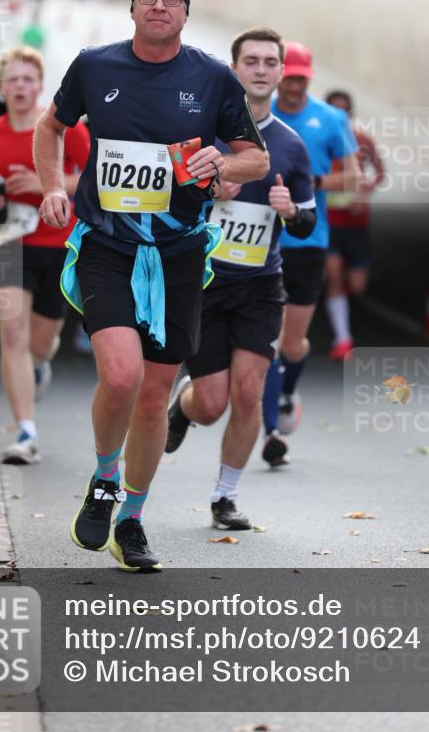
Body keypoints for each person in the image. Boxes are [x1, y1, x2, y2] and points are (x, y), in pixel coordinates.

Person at [33, 0, 269, 572]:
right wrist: (53, 186)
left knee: (155, 393)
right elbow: (50, 127)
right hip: (108, 243)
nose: (160, 5)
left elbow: (255, 160)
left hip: (180, 253)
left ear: (186, 14)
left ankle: (131, 521)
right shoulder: (95, 65)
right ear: (133, 9)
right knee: (119, 376)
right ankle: (105, 479)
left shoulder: (214, 79)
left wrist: (221, 163)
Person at [164, 28, 315, 528]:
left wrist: (289, 209)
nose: (261, 69)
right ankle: (183, 408)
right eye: (250, 61)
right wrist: (209, 195)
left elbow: (308, 220)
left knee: (249, 393)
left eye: (270, 62)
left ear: (280, 72)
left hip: (259, 285)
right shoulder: (205, 134)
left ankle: (224, 497)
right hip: (204, 282)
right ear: (235, 70)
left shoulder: (291, 146)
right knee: (212, 404)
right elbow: (162, 199)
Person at [0, 47, 89, 465]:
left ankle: (40, 366)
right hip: (8, 243)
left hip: (57, 245)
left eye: (28, 80)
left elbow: (94, 180)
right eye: (13, 79)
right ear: (1, 87)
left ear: (40, 87)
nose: (20, 86)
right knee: (11, 335)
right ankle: (26, 431)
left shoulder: (63, 128)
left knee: (40, 344)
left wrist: (46, 182)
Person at [260, 42, 360, 465]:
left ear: (309, 78)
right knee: (269, 341)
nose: (296, 85)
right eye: (291, 76)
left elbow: (352, 177)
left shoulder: (330, 119)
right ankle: (270, 433)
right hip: (262, 241)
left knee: (293, 342)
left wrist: (312, 185)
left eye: (303, 78)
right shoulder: (261, 116)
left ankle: (286, 392)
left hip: (309, 242)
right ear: (281, 75)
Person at [324, 90, 384, 357]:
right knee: (334, 276)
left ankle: (341, 302)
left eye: (344, 111)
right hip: (330, 223)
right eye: (333, 110)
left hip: (357, 223)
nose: (339, 116)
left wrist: (364, 191)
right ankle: (343, 339)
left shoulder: (363, 141)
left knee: (357, 286)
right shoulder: (319, 140)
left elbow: (380, 172)